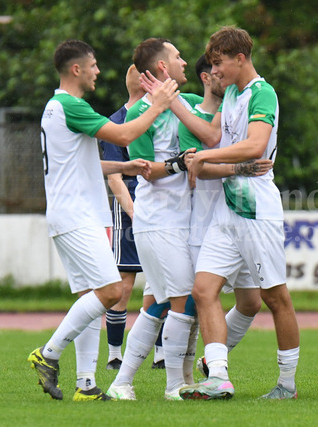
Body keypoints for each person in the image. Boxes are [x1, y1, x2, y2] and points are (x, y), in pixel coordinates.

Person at [156, 26, 300, 400]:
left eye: (219, 63)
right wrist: (198, 151)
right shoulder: (232, 93)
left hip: (257, 211)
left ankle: (287, 383)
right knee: (204, 291)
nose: (214, 71)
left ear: (240, 59)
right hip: (226, 211)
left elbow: (255, 145)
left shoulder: (262, 92)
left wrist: (204, 157)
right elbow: (213, 136)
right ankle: (218, 376)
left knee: (275, 297)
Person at [28, 39, 177, 401]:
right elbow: (125, 133)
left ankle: (86, 385)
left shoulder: (55, 107)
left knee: (90, 298)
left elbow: (81, 163)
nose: (98, 71)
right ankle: (48, 353)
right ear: (76, 69)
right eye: (93, 65)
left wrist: (123, 166)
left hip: (68, 214)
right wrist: (158, 105)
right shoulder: (71, 105)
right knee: (111, 292)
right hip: (77, 215)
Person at [106, 38, 203, 401]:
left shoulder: (187, 103)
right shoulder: (140, 113)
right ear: (163, 66)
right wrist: (181, 163)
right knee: (182, 300)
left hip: (183, 220)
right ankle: (175, 385)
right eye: (177, 56)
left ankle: (122, 382)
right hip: (158, 221)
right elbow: (145, 169)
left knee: (160, 304)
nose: (184, 62)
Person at [181, 55, 273, 379]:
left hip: (240, 210)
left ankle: (212, 365)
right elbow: (205, 152)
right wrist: (239, 167)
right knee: (189, 299)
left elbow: (239, 146)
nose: (219, 73)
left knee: (252, 301)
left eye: (221, 65)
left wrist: (217, 161)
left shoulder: (242, 98)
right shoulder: (191, 117)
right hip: (203, 219)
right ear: (207, 77)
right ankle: (175, 380)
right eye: (214, 69)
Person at [98, 64, 166, 371]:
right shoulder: (116, 122)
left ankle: (162, 353)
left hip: (163, 206)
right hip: (131, 208)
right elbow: (115, 177)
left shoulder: (165, 114)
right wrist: (135, 213)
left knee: (164, 280)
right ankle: (115, 353)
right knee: (125, 283)